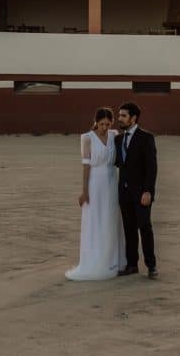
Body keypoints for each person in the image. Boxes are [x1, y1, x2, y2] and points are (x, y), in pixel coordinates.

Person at [65, 107, 127, 280]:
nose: (105, 127)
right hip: (95, 183)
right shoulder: (87, 138)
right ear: (96, 122)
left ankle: (114, 259)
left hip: (112, 182)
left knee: (111, 218)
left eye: (108, 124)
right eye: (102, 124)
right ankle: (95, 259)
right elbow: (86, 166)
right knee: (96, 219)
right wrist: (84, 191)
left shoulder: (114, 135)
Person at [114, 102, 159, 279]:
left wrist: (148, 191)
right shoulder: (118, 139)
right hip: (124, 193)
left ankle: (151, 265)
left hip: (141, 193)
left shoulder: (146, 137)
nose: (120, 119)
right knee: (129, 229)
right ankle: (132, 264)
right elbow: (119, 164)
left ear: (133, 118)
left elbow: (152, 167)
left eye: (123, 116)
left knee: (145, 228)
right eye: (119, 115)